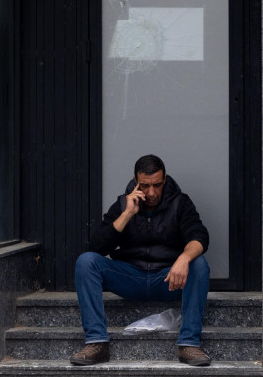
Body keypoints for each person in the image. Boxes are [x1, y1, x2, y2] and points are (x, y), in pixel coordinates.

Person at [69, 154, 212, 367]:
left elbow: (200, 236)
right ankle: (97, 343)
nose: (151, 192)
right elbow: (97, 248)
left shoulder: (180, 203)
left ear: (164, 180)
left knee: (198, 264)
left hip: (167, 279)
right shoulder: (122, 203)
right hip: (130, 278)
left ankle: (189, 344)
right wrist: (128, 213)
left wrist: (183, 258)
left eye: (157, 185)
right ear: (136, 181)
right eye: (145, 186)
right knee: (86, 262)